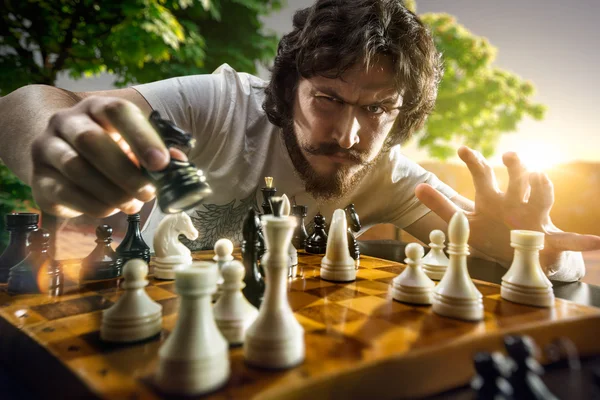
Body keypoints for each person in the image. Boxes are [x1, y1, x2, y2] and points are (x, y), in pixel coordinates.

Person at [0, 0, 598, 282]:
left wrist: (533, 249)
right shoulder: (222, 104)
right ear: (287, 91)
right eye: (328, 99)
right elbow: (28, 105)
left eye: (377, 110)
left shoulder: (394, 178)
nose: (347, 134)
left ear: (403, 118)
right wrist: (54, 137)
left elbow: (538, 258)